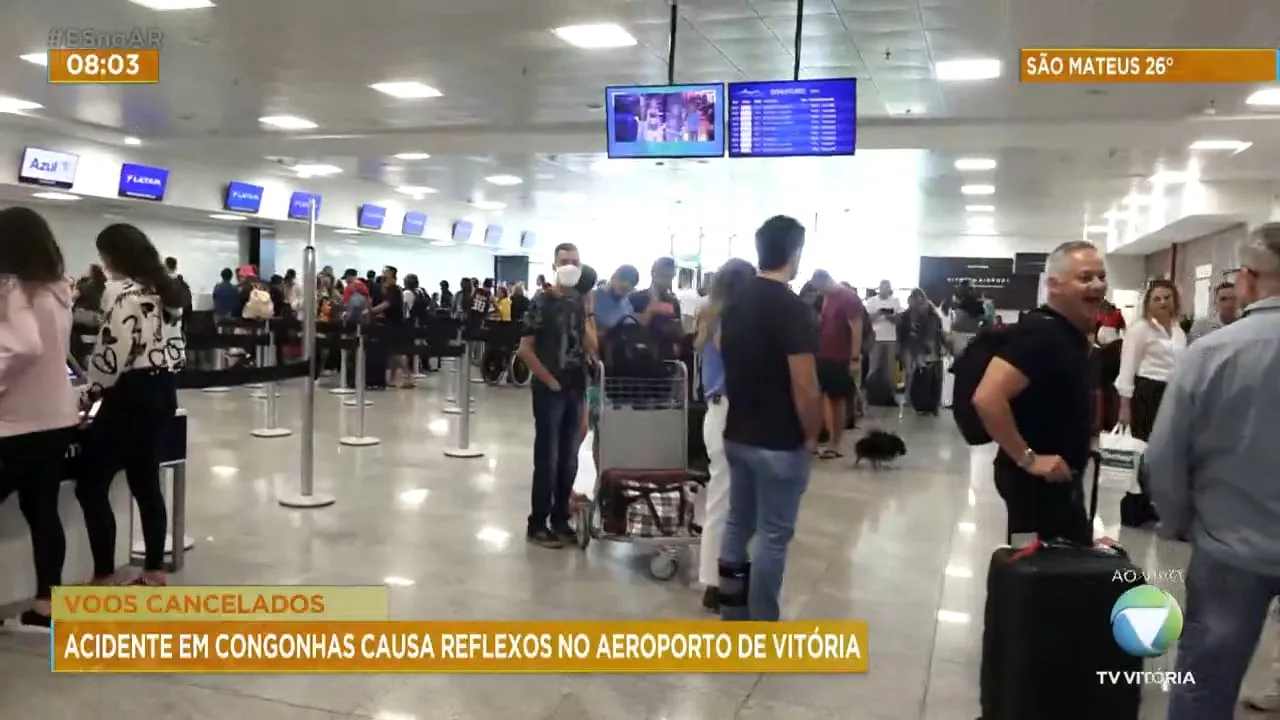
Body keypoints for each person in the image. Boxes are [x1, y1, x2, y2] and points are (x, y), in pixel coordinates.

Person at [1149, 224, 1280, 718]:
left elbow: (1164, 454)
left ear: (1247, 278)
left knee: (1204, 683)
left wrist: (1178, 521)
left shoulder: (1212, 352)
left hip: (1229, 546)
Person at [718, 215, 820, 622]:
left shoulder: (735, 303)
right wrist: (812, 435)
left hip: (737, 432)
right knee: (774, 536)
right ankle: (762, 623)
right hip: (779, 440)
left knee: (737, 524)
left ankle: (732, 612)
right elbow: (806, 385)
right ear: (795, 255)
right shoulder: (792, 309)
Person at [971, 240, 1106, 545]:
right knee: (1037, 578)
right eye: (1085, 278)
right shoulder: (1042, 334)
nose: (1097, 285)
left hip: (1060, 481)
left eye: (1101, 276)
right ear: (1054, 286)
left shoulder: (1071, 332)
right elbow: (987, 397)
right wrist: (1029, 459)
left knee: (1064, 570)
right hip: (1035, 487)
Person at [75, 223, 185, 587]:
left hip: (129, 396)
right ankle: (153, 570)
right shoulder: (165, 291)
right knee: (145, 481)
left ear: (111, 257)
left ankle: (104, 573)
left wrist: (86, 393)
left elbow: (111, 356)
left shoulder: (121, 294)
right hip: (162, 391)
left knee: (90, 485)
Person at [0, 207, 79, 630]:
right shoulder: (58, 292)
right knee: (43, 511)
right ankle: (47, 607)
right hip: (55, 418)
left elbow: (24, 348)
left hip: (14, 423)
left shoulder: (15, 291)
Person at [517, 243, 596, 548]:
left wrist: (588, 308)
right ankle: (537, 524)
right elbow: (525, 349)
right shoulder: (541, 302)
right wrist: (550, 381)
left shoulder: (579, 304)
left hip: (575, 389)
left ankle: (560, 519)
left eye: (575, 261)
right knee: (547, 460)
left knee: (569, 460)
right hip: (551, 391)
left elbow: (593, 346)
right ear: (554, 265)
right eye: (564, 261)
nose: (570, 266)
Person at [694, 258, 756, 613]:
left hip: (716, 412)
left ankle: (714, 581)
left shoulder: (709, 314)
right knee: (735, 502)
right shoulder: (734, 321)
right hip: (735, 410)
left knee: (721, 499)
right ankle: (721, 581)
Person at [1114, 279, 1186, 527]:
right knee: (1140, 451)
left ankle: (1149, 503)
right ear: (1148, 303)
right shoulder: (1140, 330)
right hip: (1146, 393)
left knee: (1160, 453)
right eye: (1157, 298)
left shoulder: (1178, 330)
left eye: (1167, 297)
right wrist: (1124, 406)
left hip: (1171, 393)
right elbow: (1127, 368)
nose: (1163, 302)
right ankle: (1133, 508)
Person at [810, 270, 863, 458]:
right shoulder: (828, 297)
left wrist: (854, 358)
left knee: (837, 401)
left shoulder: (849, 298)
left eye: (819, 288)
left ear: (826, 282)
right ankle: (813, 442)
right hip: (822, 355)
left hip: (840, 358)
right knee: (816, 398)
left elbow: (856, 329)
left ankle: (835, 445)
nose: (819, 293)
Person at [897, 288, 946, 413]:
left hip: (921, 346)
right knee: (911, 372)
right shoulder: (907, 314)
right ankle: (912, 397)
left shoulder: (931, 315)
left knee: (920, 372)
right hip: (910, 345)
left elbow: (934, 332)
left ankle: (919, 399)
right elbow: (901, 329)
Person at [863, 280, 902, 398]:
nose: (885, 290)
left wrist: (890, 316)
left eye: (887, 287)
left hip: (891, 338)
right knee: (873, 366)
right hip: (876, 337)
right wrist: (879, 313)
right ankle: (869, 392)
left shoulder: (895, 301)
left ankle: (889, 393)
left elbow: (899, 319)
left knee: (890, 367)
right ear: (879, 288)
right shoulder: (871, 301)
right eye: (883, 287)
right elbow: (867, 319)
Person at [592, 265, 640, 334]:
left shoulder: (628, 305)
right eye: (623, 278)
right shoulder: (593, 297)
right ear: (613, 277)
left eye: (632, 282)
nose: (626, 284)